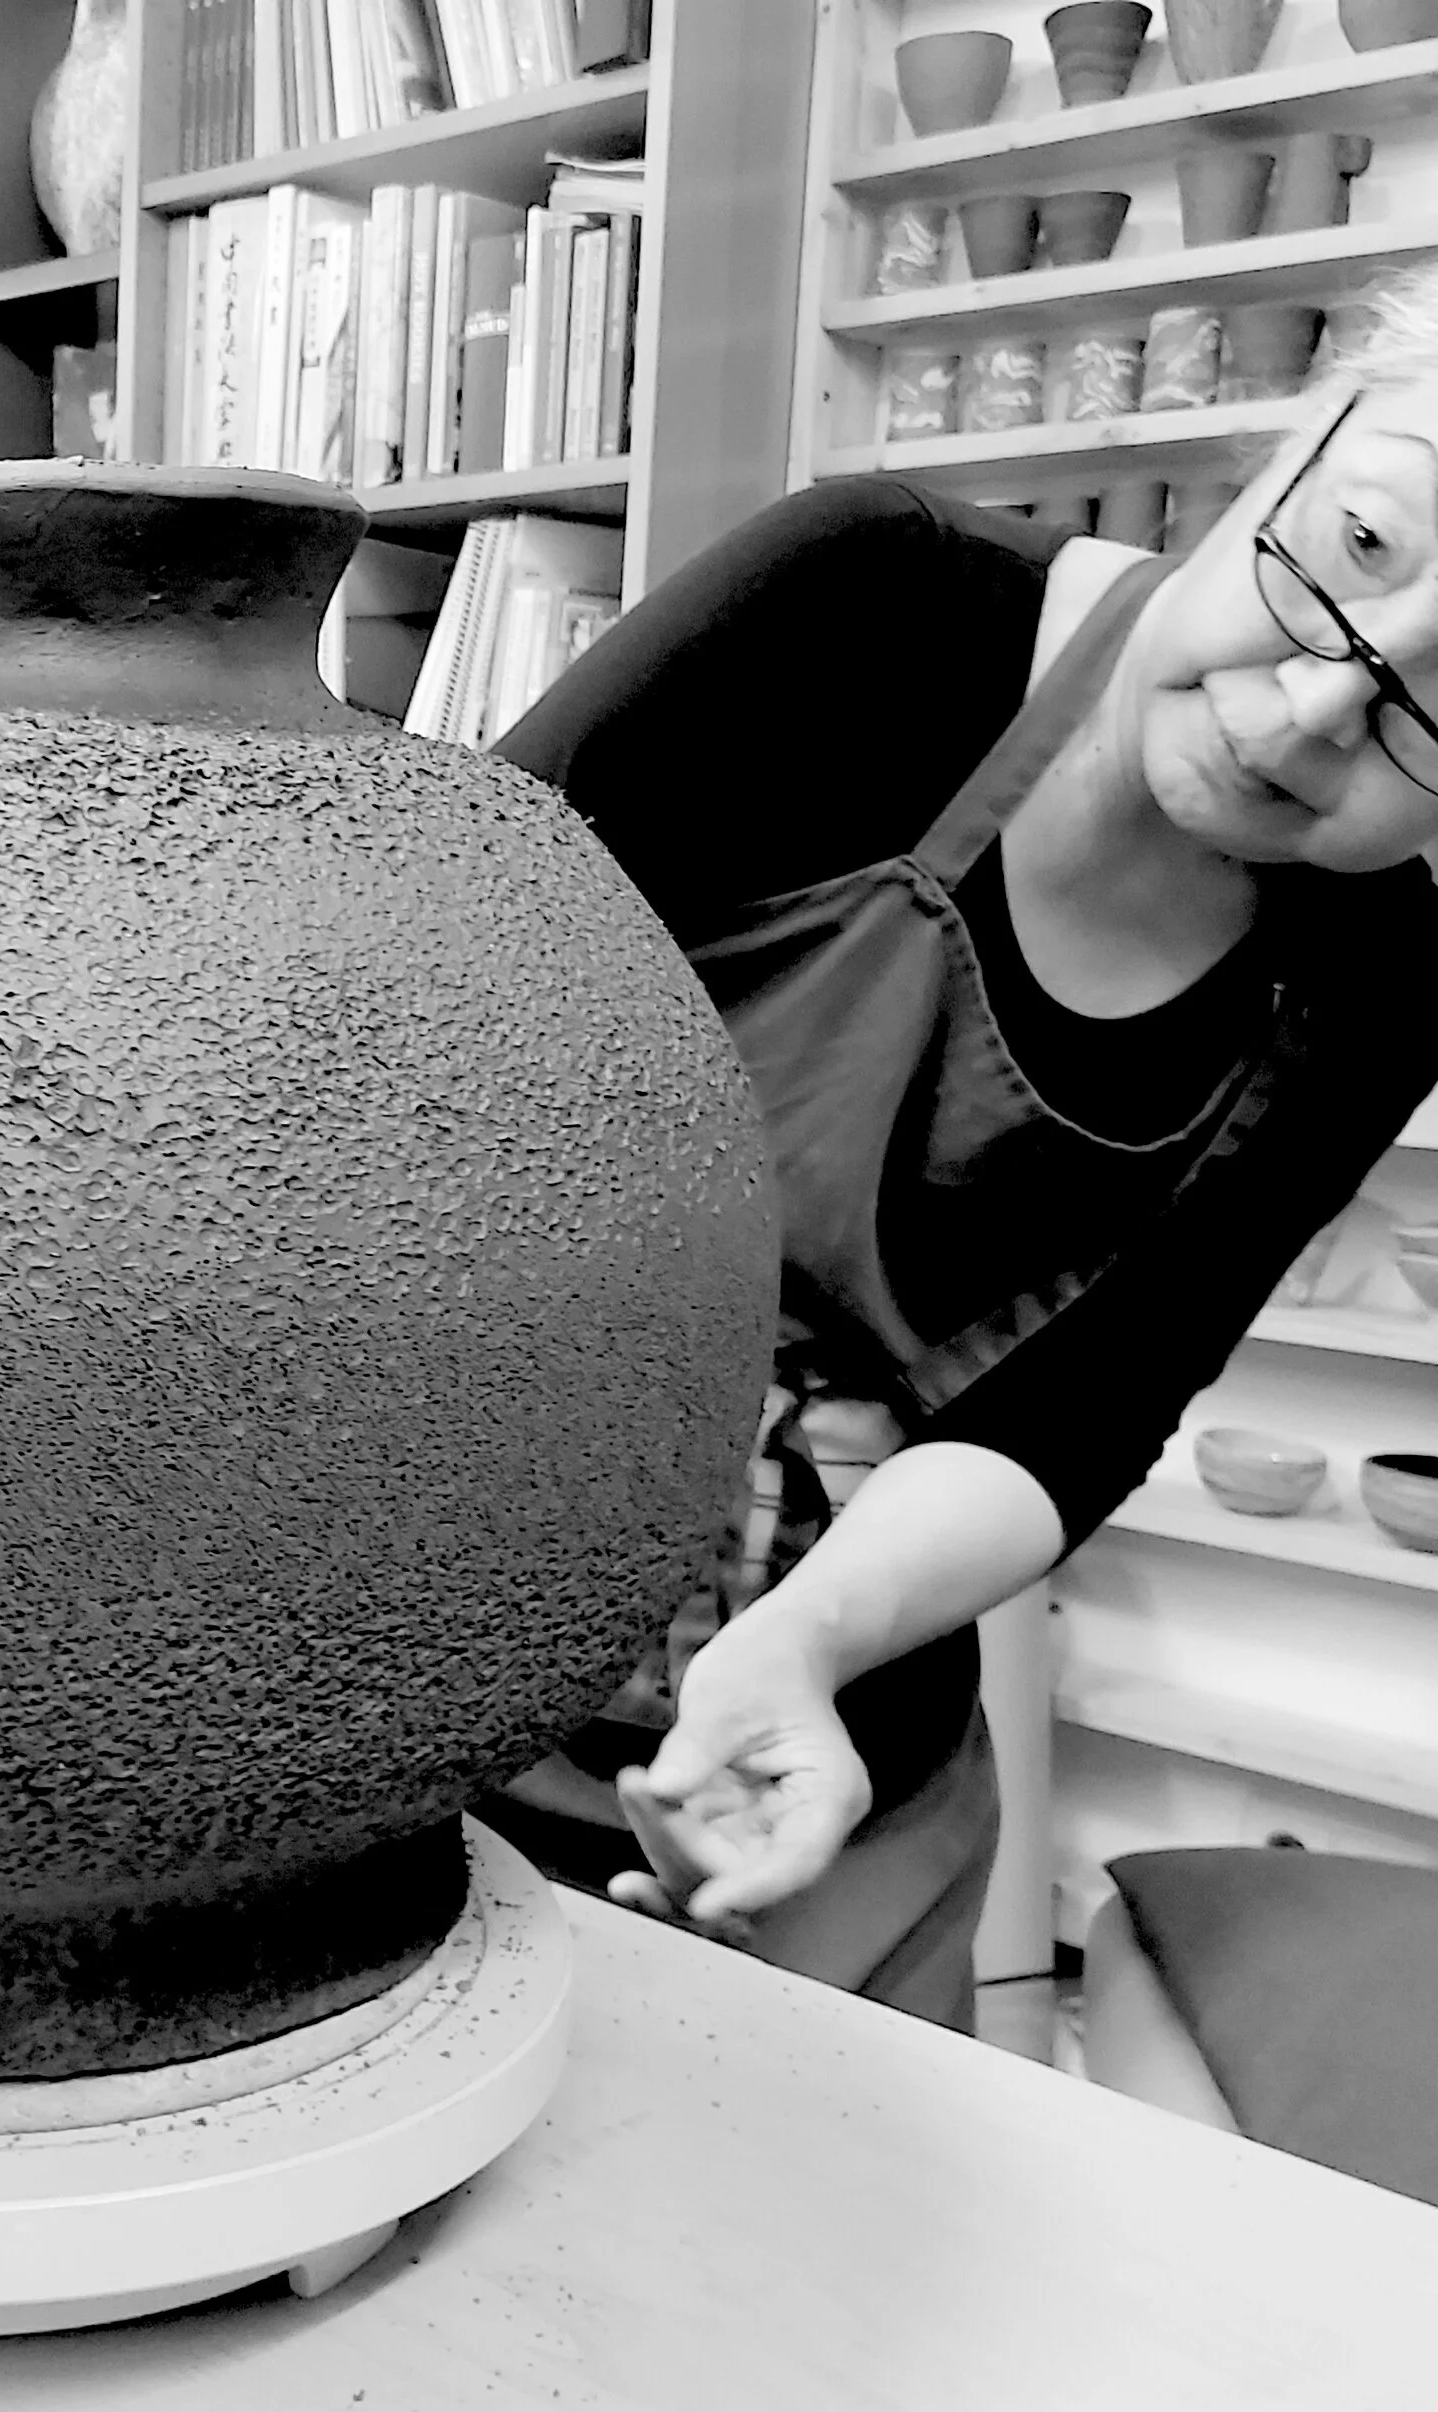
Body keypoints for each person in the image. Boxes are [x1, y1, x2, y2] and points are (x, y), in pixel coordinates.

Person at [472, 279, 1438, 2032]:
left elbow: (1073, 1417)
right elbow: (387, 1004)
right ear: (1297, 440)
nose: (1312, 711)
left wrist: (803, 1644)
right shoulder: (872, 604)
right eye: (1359, 545)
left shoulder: (1380, 981)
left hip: (828, 1780)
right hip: (393, 1711)